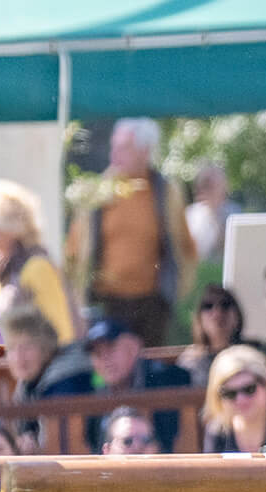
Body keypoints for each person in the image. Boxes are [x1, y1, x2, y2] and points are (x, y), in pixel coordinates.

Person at [64, 117, 196, 347]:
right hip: (106, 304)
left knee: (149, 369)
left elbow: (185, 247)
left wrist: (177, 291)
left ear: (145, 152)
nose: (115, 153)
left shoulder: (166, 192)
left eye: (124, 147)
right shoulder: (99, 192)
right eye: (114, 145)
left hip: (153, 304)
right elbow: (73, 251)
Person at [0, 179, 76, 344]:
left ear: (10, 227)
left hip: (40, 368)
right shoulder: (0, 269)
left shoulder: (36, 266)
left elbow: (62, 334)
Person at [85, 317, 192, 452]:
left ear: (133, 347)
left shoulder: (168, 379)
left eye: (111, 349)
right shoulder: (95, 392)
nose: (105, 359)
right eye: (97, 353)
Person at [0, 306, 94, 448]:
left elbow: (59, 448)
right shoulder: (27, 385)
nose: (19, 357)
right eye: (11, 348)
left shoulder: (63, 383)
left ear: (46, 349)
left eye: (27, 346)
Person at [177, 283, 248, 384]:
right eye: (208, 306)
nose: (217, 313)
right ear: (199, 318)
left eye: (225, 305)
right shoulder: (190, 361)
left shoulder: (250, 355)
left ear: (237, 315)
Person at [184, 163, 239, 265]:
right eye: (204, 185)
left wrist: (215, 215)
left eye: (211, 186)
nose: (205, 190)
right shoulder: (190, 215)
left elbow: (230, 251)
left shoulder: (235, 214)